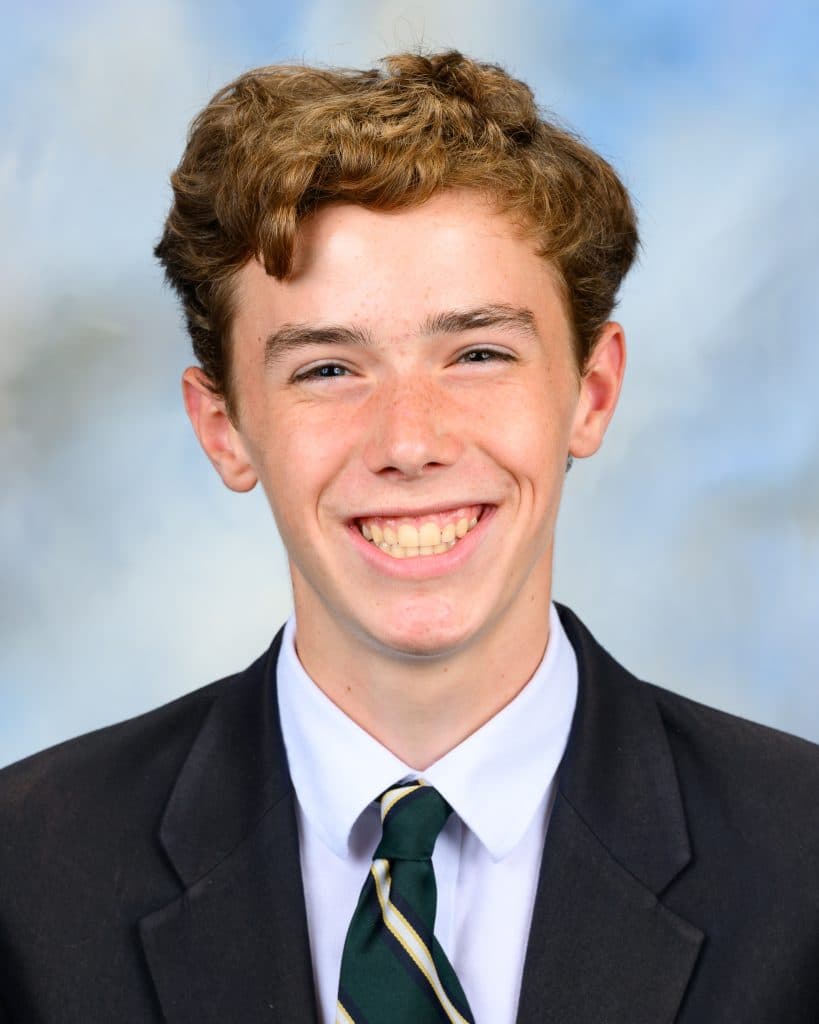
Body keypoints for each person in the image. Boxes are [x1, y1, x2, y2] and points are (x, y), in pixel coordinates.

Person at [0, 50, 817, 1024]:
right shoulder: (25, 880)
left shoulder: (802, 863)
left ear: (590, 394)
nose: (410, 441)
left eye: (477, 353)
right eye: (327, 369)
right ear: (223, 426)